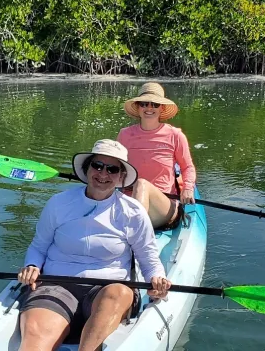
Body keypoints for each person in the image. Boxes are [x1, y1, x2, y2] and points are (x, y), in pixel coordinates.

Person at [16, 139, 172, 351]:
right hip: (55, 284)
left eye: (112, 169)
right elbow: (38, 246)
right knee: (34, 343)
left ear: (121, 177)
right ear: (87, 169)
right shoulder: (58, 203)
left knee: (118, 293)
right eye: (97, 166)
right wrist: (32, 265)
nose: (103, 174)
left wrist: (157, 280)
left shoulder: (133, 212)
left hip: (109, 288)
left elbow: (148, 258)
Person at [116, 82, 197, 230]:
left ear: (162, 108)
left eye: (154, 104)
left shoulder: (175, 135)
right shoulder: (125, 134)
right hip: (128, 199)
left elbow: (187, 167)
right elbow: (116, 167)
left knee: (142, 184)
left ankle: (134, 236)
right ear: (138, 107)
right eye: (144, 104)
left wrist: (188, 188)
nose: (149, 108)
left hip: (164, 204)